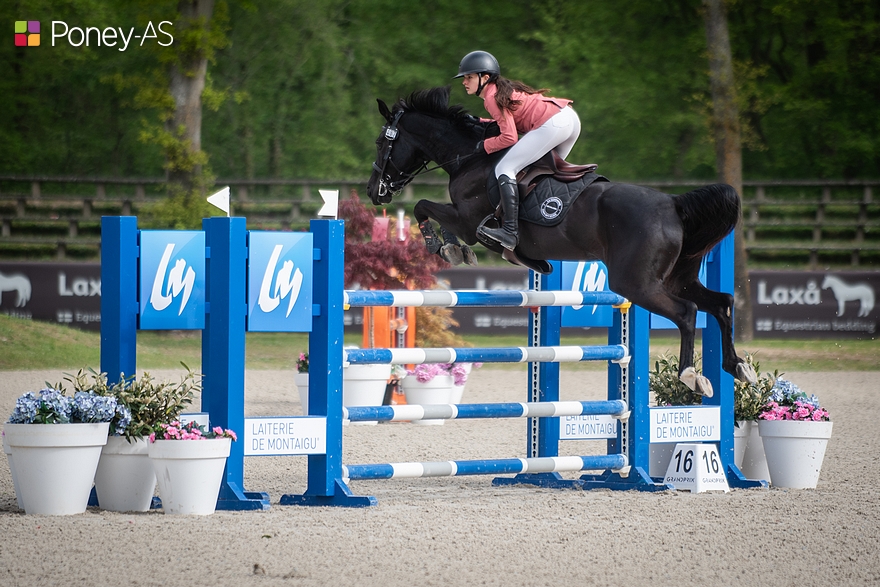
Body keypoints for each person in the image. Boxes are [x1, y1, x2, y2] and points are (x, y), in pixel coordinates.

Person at [454, 50, 581, 251]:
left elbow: (509, 137)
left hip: (553, 124)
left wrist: (483, 146)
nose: (464, 82)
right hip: (569, 119)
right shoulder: (499, 91)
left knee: (505, 168)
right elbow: (508, 121)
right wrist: (480, 122)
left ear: (484, 78)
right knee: (541, 172)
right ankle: (549, 218)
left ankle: (510, 231)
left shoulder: (491, 97)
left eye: (469, 77)